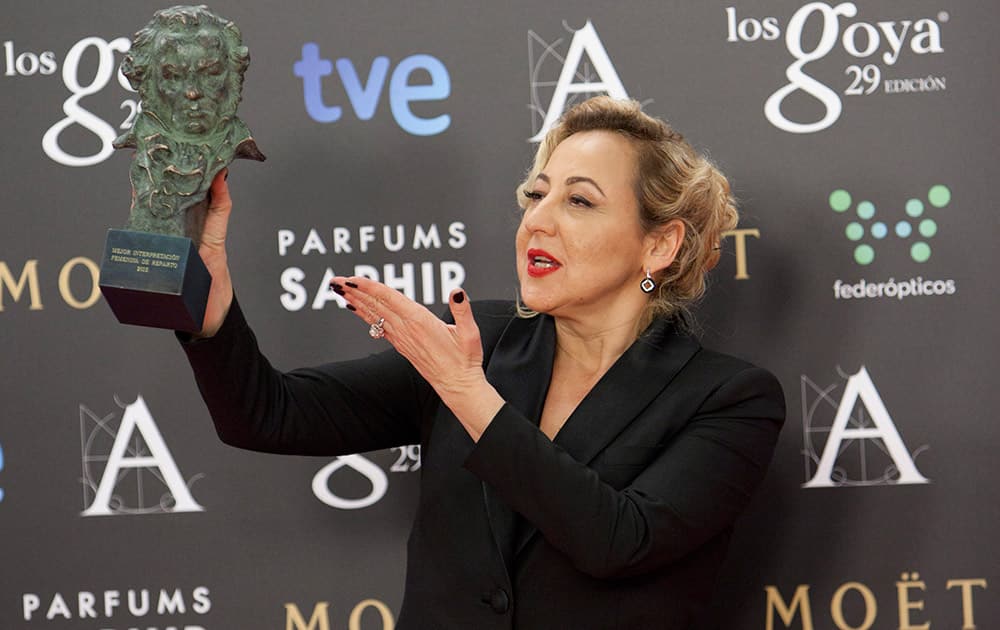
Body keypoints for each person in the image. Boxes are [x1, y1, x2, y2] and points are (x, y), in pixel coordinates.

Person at [179, 96, 785, 629]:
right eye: (536, 194)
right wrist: (209, 307)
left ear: (658, 244)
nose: (537, 220)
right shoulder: (485, 339)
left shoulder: (730, 398)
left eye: (579, 200)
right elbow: (265, 414)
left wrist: (465, 391)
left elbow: (619, 540)